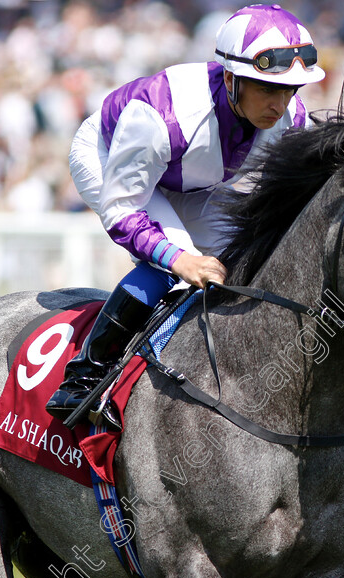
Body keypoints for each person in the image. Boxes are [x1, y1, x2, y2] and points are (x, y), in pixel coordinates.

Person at [45, 4, 326, 427]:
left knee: (242, 254)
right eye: (268, 89)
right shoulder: (162, 116)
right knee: (176, 261)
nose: (281, 103)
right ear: (231, 79)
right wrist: (179, 259)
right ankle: (85, 377)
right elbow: (123, 213)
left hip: (191, 177)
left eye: (291, 90)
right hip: (110, 159)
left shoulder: (290, 119)